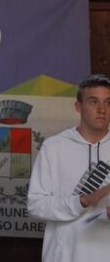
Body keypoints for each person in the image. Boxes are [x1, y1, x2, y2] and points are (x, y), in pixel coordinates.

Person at [27, 74, 110, 262]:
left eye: (108, 102)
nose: (102, 109)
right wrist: (81, 201)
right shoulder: (54, 147)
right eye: (93, 101)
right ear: (78, 107)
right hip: (65, 256)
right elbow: (36, 205)